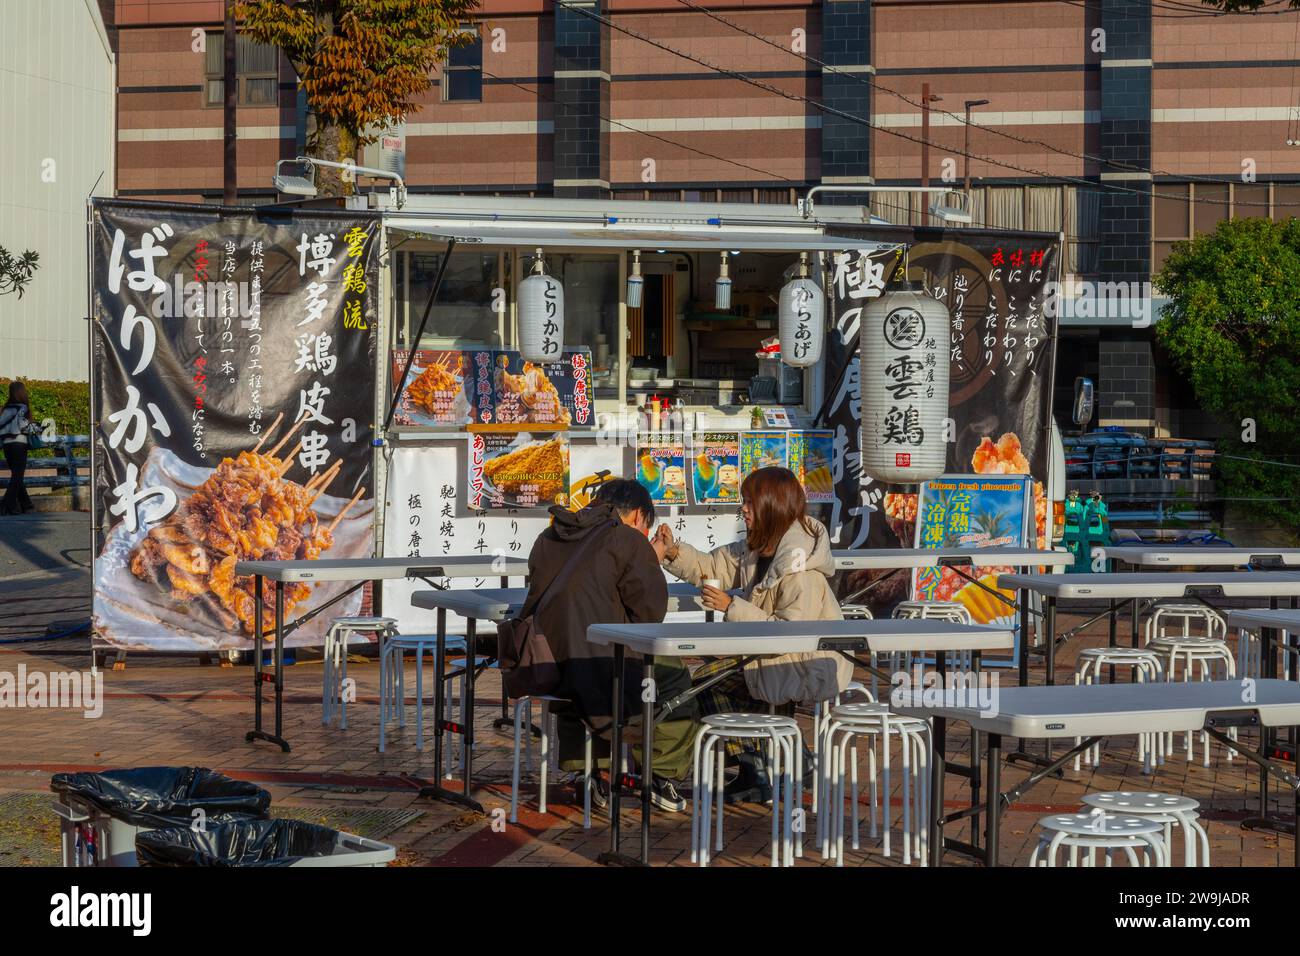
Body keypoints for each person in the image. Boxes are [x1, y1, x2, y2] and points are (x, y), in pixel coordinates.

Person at [655, 465, 851, 802]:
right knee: (710, 684)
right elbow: (714, 567)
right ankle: (773, 760)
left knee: (702, 684)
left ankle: (766, 762)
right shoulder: (759, 546)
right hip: (767, 656)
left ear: (772, 506)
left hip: (798, 663)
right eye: (744, 501)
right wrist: (674, 552)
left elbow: (790, 635)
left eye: (749, 502)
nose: (742, 509)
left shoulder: (798, 568)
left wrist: (731, 606)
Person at [521, 478, 699, 812]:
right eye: (646, 525)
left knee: (581, 667)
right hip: (602, 663)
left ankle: (587, 772)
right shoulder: (626, 538)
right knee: (674, 676)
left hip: (548, 661)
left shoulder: (551, 535)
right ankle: (660, 775)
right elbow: (650, 612)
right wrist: (649, 556)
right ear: (637, 517)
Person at [0, 381, 39, 516]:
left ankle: (27, 505)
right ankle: (6, 506)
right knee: (17, 476)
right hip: (19, 444)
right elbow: (24, 427)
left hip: (6, 445)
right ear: (22, 392)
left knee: (17, 477)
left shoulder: (5, 409)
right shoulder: (23, 407)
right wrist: (37, 427)